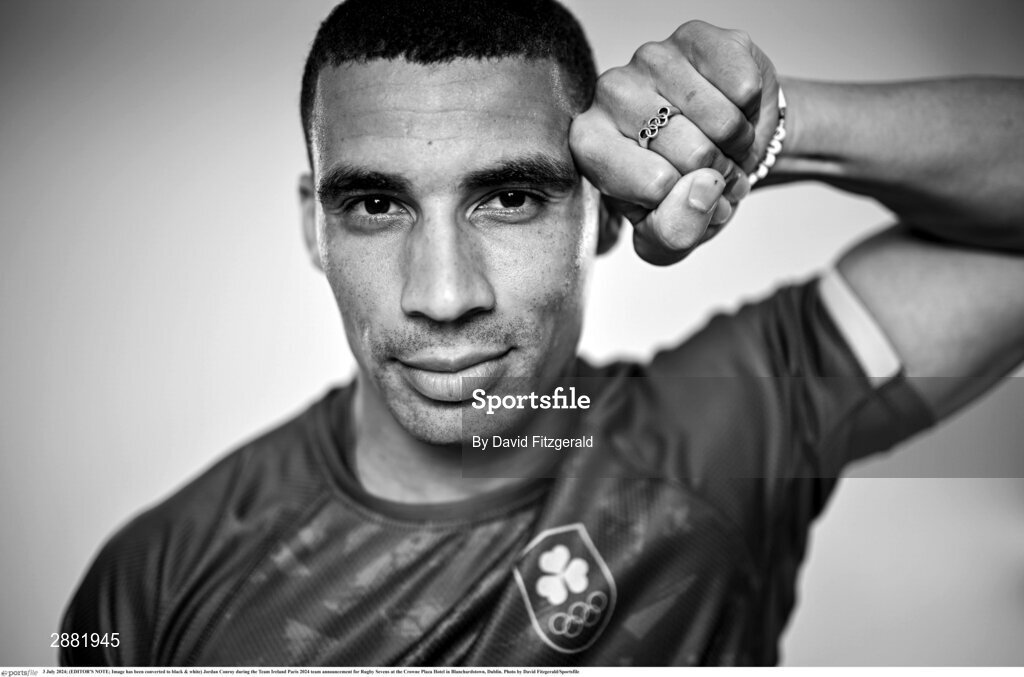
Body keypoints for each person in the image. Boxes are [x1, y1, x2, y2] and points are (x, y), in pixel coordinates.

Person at [60, 0, 1024, 667]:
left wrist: (763, 131)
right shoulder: (152, 579)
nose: (441, 296)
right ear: (316, 225)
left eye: (510, 198)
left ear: (602, 214)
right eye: (375, 205)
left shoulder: (727, 433)